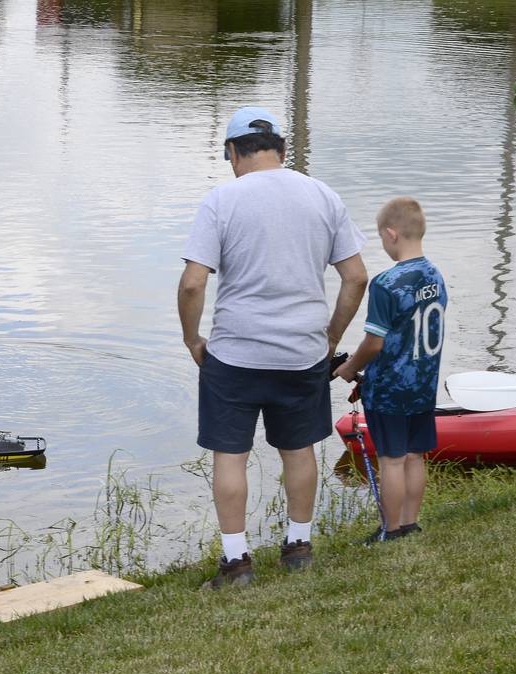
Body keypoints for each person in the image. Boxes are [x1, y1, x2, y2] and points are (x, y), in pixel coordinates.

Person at [178, 106, 368, 588]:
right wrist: (329, 339)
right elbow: (356, 276)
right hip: (302, 352)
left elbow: (193, 285)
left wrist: (192, 339)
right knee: (299, 450)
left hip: (236, 352)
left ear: (232, 153)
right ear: (283, 151)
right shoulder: (323, 196)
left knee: (230, 456)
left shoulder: (222, 200)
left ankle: (237, 561)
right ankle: (298, 548)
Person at [335, 197, 448, 542]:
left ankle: (391, 529)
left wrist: (348, 367)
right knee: (416, 456)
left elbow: (374, 343)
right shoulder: (435, 275)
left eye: (382, 239)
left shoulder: (386, 283)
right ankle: (411, 523)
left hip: (390, 388)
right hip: (424, 384)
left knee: (392, 461)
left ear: (391, 234)